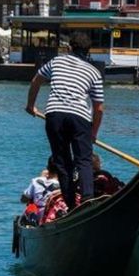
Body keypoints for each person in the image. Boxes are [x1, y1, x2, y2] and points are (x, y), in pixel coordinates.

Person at [25, 31, 104, 213]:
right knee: (83, 160)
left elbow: (36, 81)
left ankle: (71, 206)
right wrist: (93, 133)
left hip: (55, 115)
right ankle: (87, 200)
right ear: (88, 52)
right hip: (80, 118)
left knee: (62, 162)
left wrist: (31, 106)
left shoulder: (57, 62)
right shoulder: (94, 72)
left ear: (70, 48)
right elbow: (99, 108)